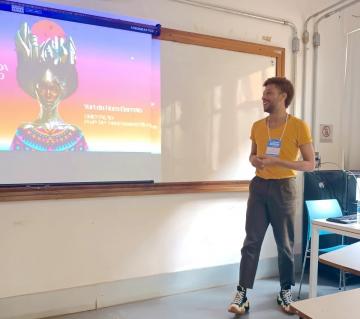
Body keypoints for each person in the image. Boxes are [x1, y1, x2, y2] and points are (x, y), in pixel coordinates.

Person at [228, 77, 315, 315]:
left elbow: (309, 164)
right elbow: (252, 155)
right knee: (251, 242)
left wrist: (278, 161)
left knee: (284, 245)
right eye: (264, 93)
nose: (263, 97)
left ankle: (285, 291)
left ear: (283, 96)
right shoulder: (258, 126)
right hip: (259, 186)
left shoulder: (298, 126)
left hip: (284, 187)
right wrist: (255, 160)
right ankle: (242, 293)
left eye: (268, 93)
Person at [10, 20, 88, 151]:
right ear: (35, 88)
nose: (48, 94)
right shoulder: (22, 133)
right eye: (43, 87)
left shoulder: (76, 135)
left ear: (62, 89)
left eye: (53, 88)